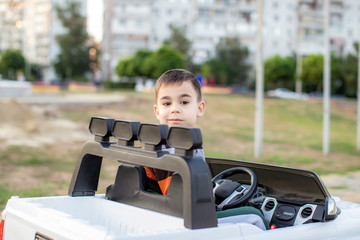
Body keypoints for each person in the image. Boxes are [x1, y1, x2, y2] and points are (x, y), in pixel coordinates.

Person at [144, 69, 206, 195]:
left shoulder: (188, 142)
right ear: (157, 111)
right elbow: (177, 195)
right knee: (252, 213)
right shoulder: (167, 148)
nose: (175, 109)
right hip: (176, 211)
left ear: (199, 109)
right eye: (167, 103)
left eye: (184, 102)